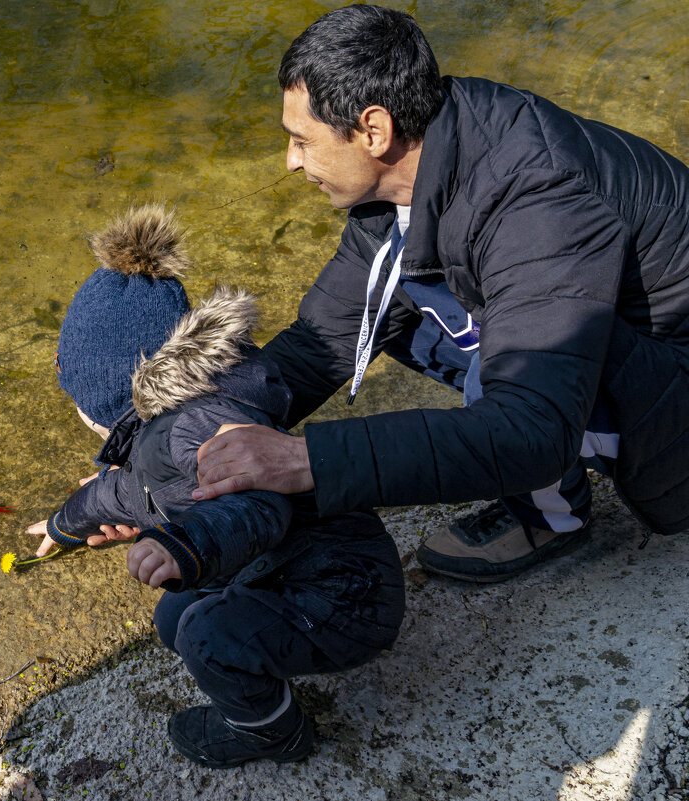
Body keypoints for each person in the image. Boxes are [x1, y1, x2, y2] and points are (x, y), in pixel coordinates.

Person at [194, 4, 689, 582]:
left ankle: (551, 520)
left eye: (301, 140)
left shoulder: (539, 202)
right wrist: (163, 454)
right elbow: (323, 340)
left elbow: (531, 432)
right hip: (611, 333)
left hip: (674, 382)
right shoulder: (424, 161)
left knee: (501, 381)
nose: (291, 161)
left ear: (373, 131)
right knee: (397, 306)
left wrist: (306, 460)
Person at [25, 203, 404, 768]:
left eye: (76, 397)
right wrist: (63, 525)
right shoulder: (162, 431)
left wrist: (183, 544)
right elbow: (114, 495)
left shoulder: (198, 427)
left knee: (204, 634)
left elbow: (258, 507)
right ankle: (259, 663)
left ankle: (272, 734)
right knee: (173, 621)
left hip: (345, 595)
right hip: (283, 569)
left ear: (113, 393)